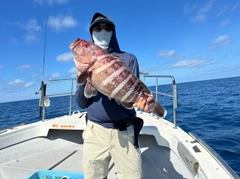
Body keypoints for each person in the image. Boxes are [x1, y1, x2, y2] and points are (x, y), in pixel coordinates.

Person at [75, 12, 153, 179]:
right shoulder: (86, 63)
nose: (102, 32)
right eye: (97, 29)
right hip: (95, 132)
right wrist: (83, 75)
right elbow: (82, 103)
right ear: (91, 34)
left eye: (107, 28)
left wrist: (138, 101)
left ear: (114, 32)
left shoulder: (129, 59)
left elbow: (130, 91)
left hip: (125, 131)